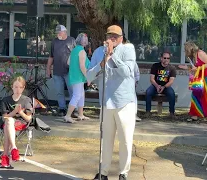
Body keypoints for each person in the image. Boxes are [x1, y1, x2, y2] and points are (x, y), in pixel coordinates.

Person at [87, 25, 136, 180]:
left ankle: (123, 173)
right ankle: (103, 172)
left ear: (121, 38)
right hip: (106, 102)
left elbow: (126, 72)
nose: (112, 39)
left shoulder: (128, 49)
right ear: (106, 37)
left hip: (124, 102)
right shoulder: (97, 52)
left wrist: (112, 55)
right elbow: (88, 77)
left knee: (125, 141)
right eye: (110, 36)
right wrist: (101, 64)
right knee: (106, 140)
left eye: (115, 36)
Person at [178, 41, 207, 123]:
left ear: (190, 48)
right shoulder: (193, 57)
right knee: (196, 94)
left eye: (186, 49)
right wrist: (187, 68)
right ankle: (194, 115)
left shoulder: (200, 53)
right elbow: (195, 68)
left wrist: (198, 68)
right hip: (200, 78)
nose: (185, 51)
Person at [0, 76, 33, 168]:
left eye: (20, 87)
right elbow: (4, 117)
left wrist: (21, 112)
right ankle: (14, 148)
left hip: (21, 123)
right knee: (9, 121)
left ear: (23, 88)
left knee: (8, 126)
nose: (18, 89)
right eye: (16, 87)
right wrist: (14, 112)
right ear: (12, 87)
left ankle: (5, 156)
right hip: (8, 122)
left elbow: (28, 119)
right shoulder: (5, 100)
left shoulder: (26, 100)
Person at [46, 25, 76, 116]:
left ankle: (73, 109)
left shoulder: (71, 40)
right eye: (57, 32)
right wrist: (48, 68)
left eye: (60, 32)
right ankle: (62, 108)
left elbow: (76, 55)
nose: (58, 34)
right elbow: (51, 56)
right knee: (59, 91)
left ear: (65, 32)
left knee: (72, 91)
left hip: (69, 71)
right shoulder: (54, 41)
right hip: (57, 71)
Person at [64, 33, 90, 123]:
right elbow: (82, 66)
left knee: (81, 95)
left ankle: (81, 114)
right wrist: (88, 77)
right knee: (77, 95)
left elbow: (68, 62)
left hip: (74, 76)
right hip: (79, 77)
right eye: (85, 39)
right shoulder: (82, 52)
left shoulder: (74, 50)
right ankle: (67, 116)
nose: (86, 41)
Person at [145, 52, 176, 119]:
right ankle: (148, 111)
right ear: (161, 58)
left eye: (168, 58)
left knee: (172, 93)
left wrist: (164, 87)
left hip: (166, 86)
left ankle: (172, 113)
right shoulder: (155, 66)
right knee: (148, 92)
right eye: (164, 58)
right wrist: (157, 86)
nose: (166, 59)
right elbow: (152, 79)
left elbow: (171, 81)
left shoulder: (172, 68)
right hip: (155, 85)